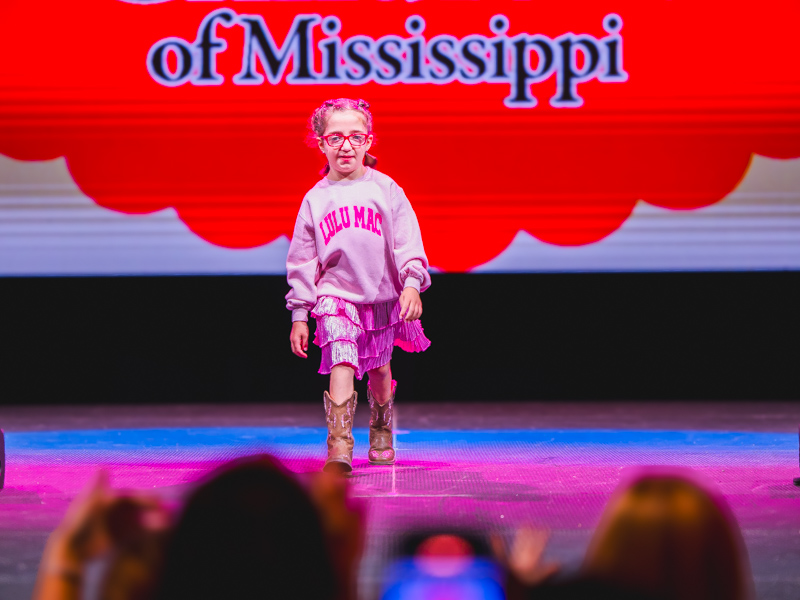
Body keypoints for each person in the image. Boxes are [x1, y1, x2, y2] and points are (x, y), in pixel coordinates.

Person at [287, 98, 431, 474]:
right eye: (335, 138)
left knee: (380, 369)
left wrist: (412, 284)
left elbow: (406, 241)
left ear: (369, 141)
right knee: (342, 357)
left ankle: (381, 427)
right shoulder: (315, 199)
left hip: (382, 296)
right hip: (336, 295)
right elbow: (302, 261)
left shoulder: (386, 189)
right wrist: (300, 313)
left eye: (355, 136)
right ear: (321, 144)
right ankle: (339, 444)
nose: (346, 145)